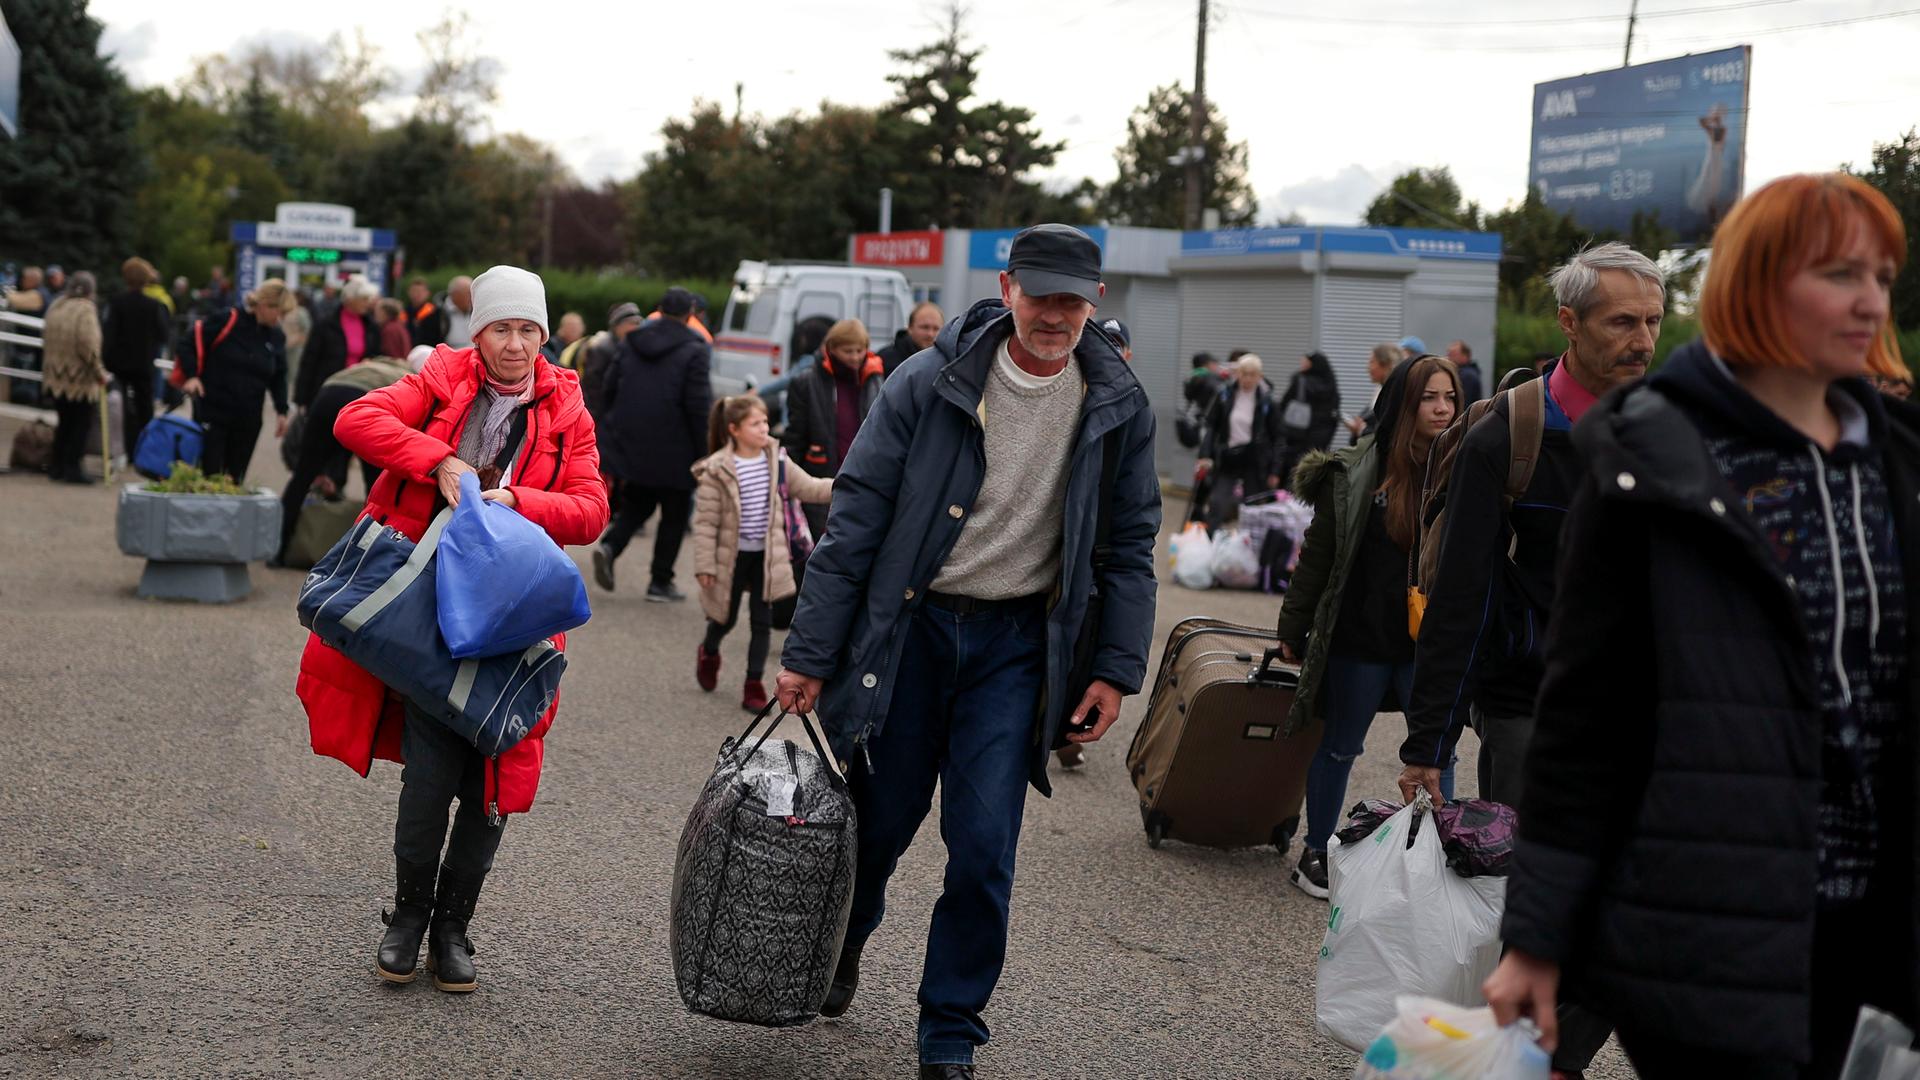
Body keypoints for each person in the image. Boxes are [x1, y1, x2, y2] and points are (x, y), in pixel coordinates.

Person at [1485, 174, 1920, 1080]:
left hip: (1879, 932)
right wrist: (1536, 937)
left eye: (1882, 274)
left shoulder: (1900, 461)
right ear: (1756, 283)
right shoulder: (1654, 458)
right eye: (1841, 272)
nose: (1872, 299)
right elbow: (1587, 718)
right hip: (1711, 925)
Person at [773, 224, 1160, 1079]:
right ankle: (844, 944)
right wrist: (809, 652)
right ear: (1007, 286)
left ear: (1096, 301)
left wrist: (1113, 669)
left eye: (1071, 299)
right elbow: (858, 520)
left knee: (984, 850)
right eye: (1039, 294)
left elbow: (1131, 544)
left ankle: (949, 1032)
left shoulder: (1119, 402)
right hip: (910, 638)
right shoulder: (927, 380)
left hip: (1017, 648)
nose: (1054, 315)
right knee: (875, 832)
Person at [299, 265, 606, 994]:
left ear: (542, 333)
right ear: (480, 330)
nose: (516, 343)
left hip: (520, 618)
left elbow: (592, 509)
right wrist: (437, 460)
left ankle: (454, 928)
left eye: (529, 329)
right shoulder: (440, 375)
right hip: (431, 607)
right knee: (431, 773)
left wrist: (517, 500)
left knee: (495, 777)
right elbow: (354, 420)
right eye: (502, 327)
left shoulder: (568, 406)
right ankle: (407, 919)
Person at [1398, 242, 1665, 1078]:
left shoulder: (1674, 431)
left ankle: (1536, 1058)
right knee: (1540, 908)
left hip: (1648, 718)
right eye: (1623, 320)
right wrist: (1427, 742)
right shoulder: (1509, 437)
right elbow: (1461, 600)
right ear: (1569, 321)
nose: (1643, 339)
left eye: (1654, 321)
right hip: (1529, 714)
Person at [1277, 356, 1460, 899]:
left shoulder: (1465, 465)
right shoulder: (1357, 470)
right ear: (1405, 402)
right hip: (1359, 637)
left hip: (1426, 644)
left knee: (1438, 752)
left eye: (1450, 397)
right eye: (1430, 397)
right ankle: (1316, 853)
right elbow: (1319, 554)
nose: (1443, 408)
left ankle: (1434, 858)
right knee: (1339, 746)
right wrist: (1295, 621)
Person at [692, 395, 834, 711]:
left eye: (766, 422)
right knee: (724, 618)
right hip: (731, 558)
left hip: (766, 557)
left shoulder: (777, 460)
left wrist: (846, 485)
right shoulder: (717, 470)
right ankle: (710, 650)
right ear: (734, 429)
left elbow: (809, 487)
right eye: (755, 424)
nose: (764, 429)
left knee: (761, 620)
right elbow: (705, 523)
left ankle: (752, 685)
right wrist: (705, 565)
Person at [591, 286, 712, 602]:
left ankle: (611, 545)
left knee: (639, 503)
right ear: (691, 314)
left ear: (659, 308)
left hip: (634, 441)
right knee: (674, 514)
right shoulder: (695, 349)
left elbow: (610, 386)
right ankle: (660, 581)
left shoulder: (633, 340)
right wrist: (705, 451)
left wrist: (612, 429)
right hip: (677, 445)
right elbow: (698, 404)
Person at [273, 349, 418, 565]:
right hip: (364, 402)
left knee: (303, 475)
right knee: (377, 486)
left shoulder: (370, 363)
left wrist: (326, 471)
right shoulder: (411, 379)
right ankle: (367, 558)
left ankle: (279, 550)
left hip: (328, 394)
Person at [178, 279, 293, 481]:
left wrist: (281, 410)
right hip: (214, 410)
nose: (281, 318)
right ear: (265, 305)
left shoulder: (276, 336)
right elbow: (188, 343)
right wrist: (192, 376)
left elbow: (279, 374)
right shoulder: (227, 320)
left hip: (248, 417)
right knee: (209, 475)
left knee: (235, 477)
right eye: (280, 312)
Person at [781, 318, 886, 539]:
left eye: (860, 350)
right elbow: (795, 436)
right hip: (821, 476)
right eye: (848, 351)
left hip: (863, 478)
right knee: (819, 546)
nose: (855, 357)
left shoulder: (875, 380)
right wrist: (785, 480)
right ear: (831, 348)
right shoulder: (807, 381)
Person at [1197, 353, 1283, 531]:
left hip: (1254, 460)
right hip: (1228, 456)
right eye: (1244, 373)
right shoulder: (1224, 395)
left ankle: (1248, 548)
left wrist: (1275, 470)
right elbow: (1211, 427)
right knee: (1217, 503)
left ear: (1260, 376)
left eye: (1252, 374)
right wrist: (1205, 455)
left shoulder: (1268, 401)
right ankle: (1209, 545)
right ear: (1237, 374)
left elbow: (1278, 438)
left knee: (1251, 508)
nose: (1248, 379)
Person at [41, 271, 107, 485]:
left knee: (64, 422)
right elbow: (88, 345)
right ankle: (72, 467)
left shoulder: (57, 305)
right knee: (80, 424)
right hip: (78, 378)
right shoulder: (86, 310)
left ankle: (56, 465)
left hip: (55, 374)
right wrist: (100, 373)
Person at [102, 257, 173, 454]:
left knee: (119, 406)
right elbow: (164, 335)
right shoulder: (154, 305)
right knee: (145, 407)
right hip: (143, 364)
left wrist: (106, 359)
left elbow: (108, 334)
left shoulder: (116, 302)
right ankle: (142, 448)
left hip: (118, 364)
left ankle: (120, 447)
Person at [296, 277, 380, 410]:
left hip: (359, 389)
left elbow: (375, 354)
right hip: (329, 388)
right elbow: (309, 361)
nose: (367, 303)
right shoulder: (326, 325)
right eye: (363, 299)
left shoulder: (370, 326)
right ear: (350, 299)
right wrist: (301, 398)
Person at [1274, 351, 1342, 487]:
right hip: (1322, 435)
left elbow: (1285, 403)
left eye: (1305, 362)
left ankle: (1288, 494)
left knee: (1292, 465)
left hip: (1298, 432)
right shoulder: (1330, 383)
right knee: (1313, 466)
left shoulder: (1300, 380)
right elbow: (1335, 408)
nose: (1302, 365)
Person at [579, 302, 641, 422]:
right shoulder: (601, 349)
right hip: (604, 417)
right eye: (632, 323)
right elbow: (592, 387)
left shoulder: (632, 347)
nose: (636, 328)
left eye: (638, 323)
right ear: (617, 325)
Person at [1344, 342, 1405, 442]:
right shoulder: (1381, 390)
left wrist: (1362, 430)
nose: (1368, 368)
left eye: (1372, 362)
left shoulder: (1394, 395)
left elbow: (1387, 433)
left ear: (1385, 365)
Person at [879, 301, 947, 375]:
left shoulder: (949, 362)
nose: (930, 334)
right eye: (925, 327)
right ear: (910, 328)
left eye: (936, 328)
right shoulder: (884, 360)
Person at [406, 277, 446, 349]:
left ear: (427, 293)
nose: (416, 294)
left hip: (430, 350)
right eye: (414, 291)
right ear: (409, 292)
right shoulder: (404, 313)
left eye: (420, 291)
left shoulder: (435, 313)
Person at [1447, 339, 1485, 404]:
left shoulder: (1467, 376)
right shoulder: (1469, 373)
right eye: (1449, 354)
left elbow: (1462, 402)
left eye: (1453, 354)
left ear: (1465, 356)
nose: (1448, 357)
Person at [443, 275, 474, 348]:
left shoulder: (476, 310)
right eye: (468, 293)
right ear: (455, 294)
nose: (472, 297)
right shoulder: (438, 314)